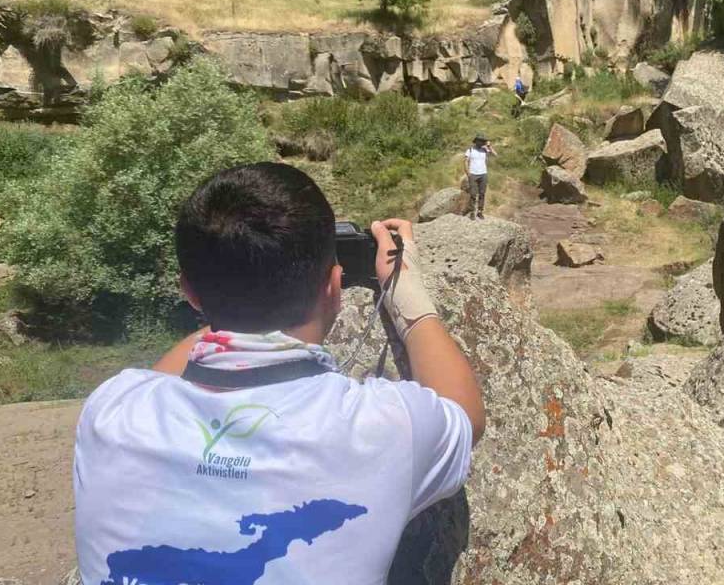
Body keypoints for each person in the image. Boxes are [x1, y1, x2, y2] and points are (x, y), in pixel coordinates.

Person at [72, 162, 485, 585]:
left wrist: (232, 296)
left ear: (190, 292)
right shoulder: (382, 427)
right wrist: (406, 293)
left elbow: (164, 377)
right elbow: (463, 414)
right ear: (334, 286)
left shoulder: (110, 411)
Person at [464, 133, 495, 220]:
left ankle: (480, 211)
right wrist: (468, 173)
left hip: (483, 174)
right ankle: (472, 212)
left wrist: (489, 146)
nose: (481, 142)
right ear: (476, 141)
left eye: (482, 141)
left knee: (482, 194)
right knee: (473, 194)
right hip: (473, 174)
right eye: (479, 140)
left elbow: (495, 155)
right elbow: (466, 161)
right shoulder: (470, 150)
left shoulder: (485, 150)